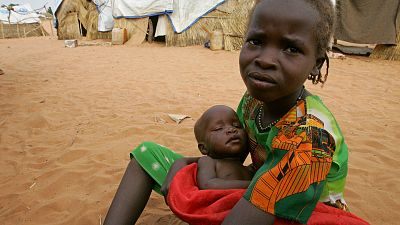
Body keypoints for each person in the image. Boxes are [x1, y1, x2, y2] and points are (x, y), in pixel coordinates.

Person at [104, 0, 348, 224]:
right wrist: (184, 162)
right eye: (256, 41)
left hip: (296, 212)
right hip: (255, 187)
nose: (265, 60)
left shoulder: (310, 136)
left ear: (316, 63)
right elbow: (231, 157)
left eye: (291, 49)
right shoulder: (255, 100)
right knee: (147, 155)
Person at [192, 105, 253, 190]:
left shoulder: (251, 169)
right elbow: (208, 184)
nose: (231, 129)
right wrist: (253, 186)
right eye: (219, 128)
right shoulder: (208, 161)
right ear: (204, 148)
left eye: (236, 125)